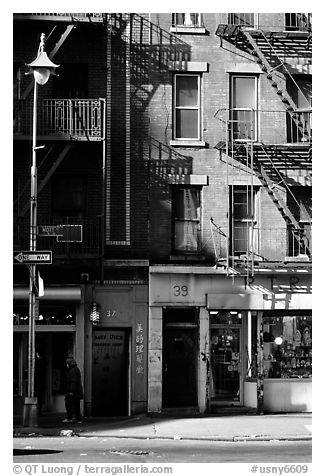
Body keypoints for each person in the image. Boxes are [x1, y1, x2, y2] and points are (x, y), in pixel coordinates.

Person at [63, 357, 83, 423]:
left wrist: (71, 391)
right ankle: (77, 418)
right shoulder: (75, 370)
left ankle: (70, 418)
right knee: (76, 405)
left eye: (67, 363)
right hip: (76, 391)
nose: (66, 365)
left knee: (68, 404)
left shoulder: (73, 371)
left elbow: (73, 382)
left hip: (73, 391)